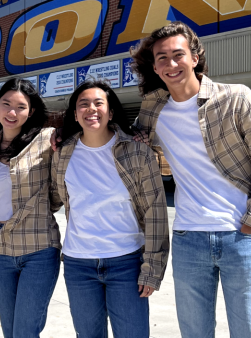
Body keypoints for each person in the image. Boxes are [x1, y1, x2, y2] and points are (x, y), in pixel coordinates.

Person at [130, 22, 251, 338]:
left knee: (247, 331)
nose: (171, 64)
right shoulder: (152, 110)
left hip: (238, 236)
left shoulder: (236, 98)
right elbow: (139, 151)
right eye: (162, 58)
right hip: (188, 239)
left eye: (178, 55)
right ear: (154, 66)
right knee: (194, 332)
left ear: (195, 57)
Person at [52, 79, 169, 338]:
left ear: (111, 111)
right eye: (83, 104)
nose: (91, 109)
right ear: (74, 114)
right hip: (78, 264)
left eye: (98, 103)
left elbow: (156, 213)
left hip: (126, 262)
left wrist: (152, 268)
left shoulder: (138, 152)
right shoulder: (62, 153)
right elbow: (57, 196)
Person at [0, 78, 62, 338]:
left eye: (21, 107)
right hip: (2, 249)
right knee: (9, 330)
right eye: (6, 104)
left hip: (39, 248)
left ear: (32, 111)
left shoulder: (48, 140)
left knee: (25, 331)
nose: (12, 113)